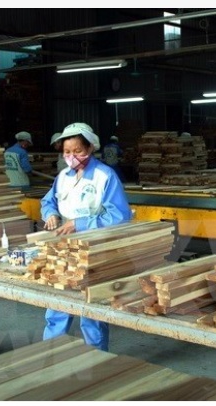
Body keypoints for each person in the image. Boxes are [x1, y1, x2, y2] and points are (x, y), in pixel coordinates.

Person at [40, 122, 132, 351]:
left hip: (95, 250)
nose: (72, 157)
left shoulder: (104, 176)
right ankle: (50, 353)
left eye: (78, 151)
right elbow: (48, 201)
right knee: (58, 304)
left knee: (91, 310)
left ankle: (96, 357)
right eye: (67, 152)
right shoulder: (63, 176)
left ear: (90, 148)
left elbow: (119, 215)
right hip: (64, 250)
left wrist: (79, 223)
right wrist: (50, 213)